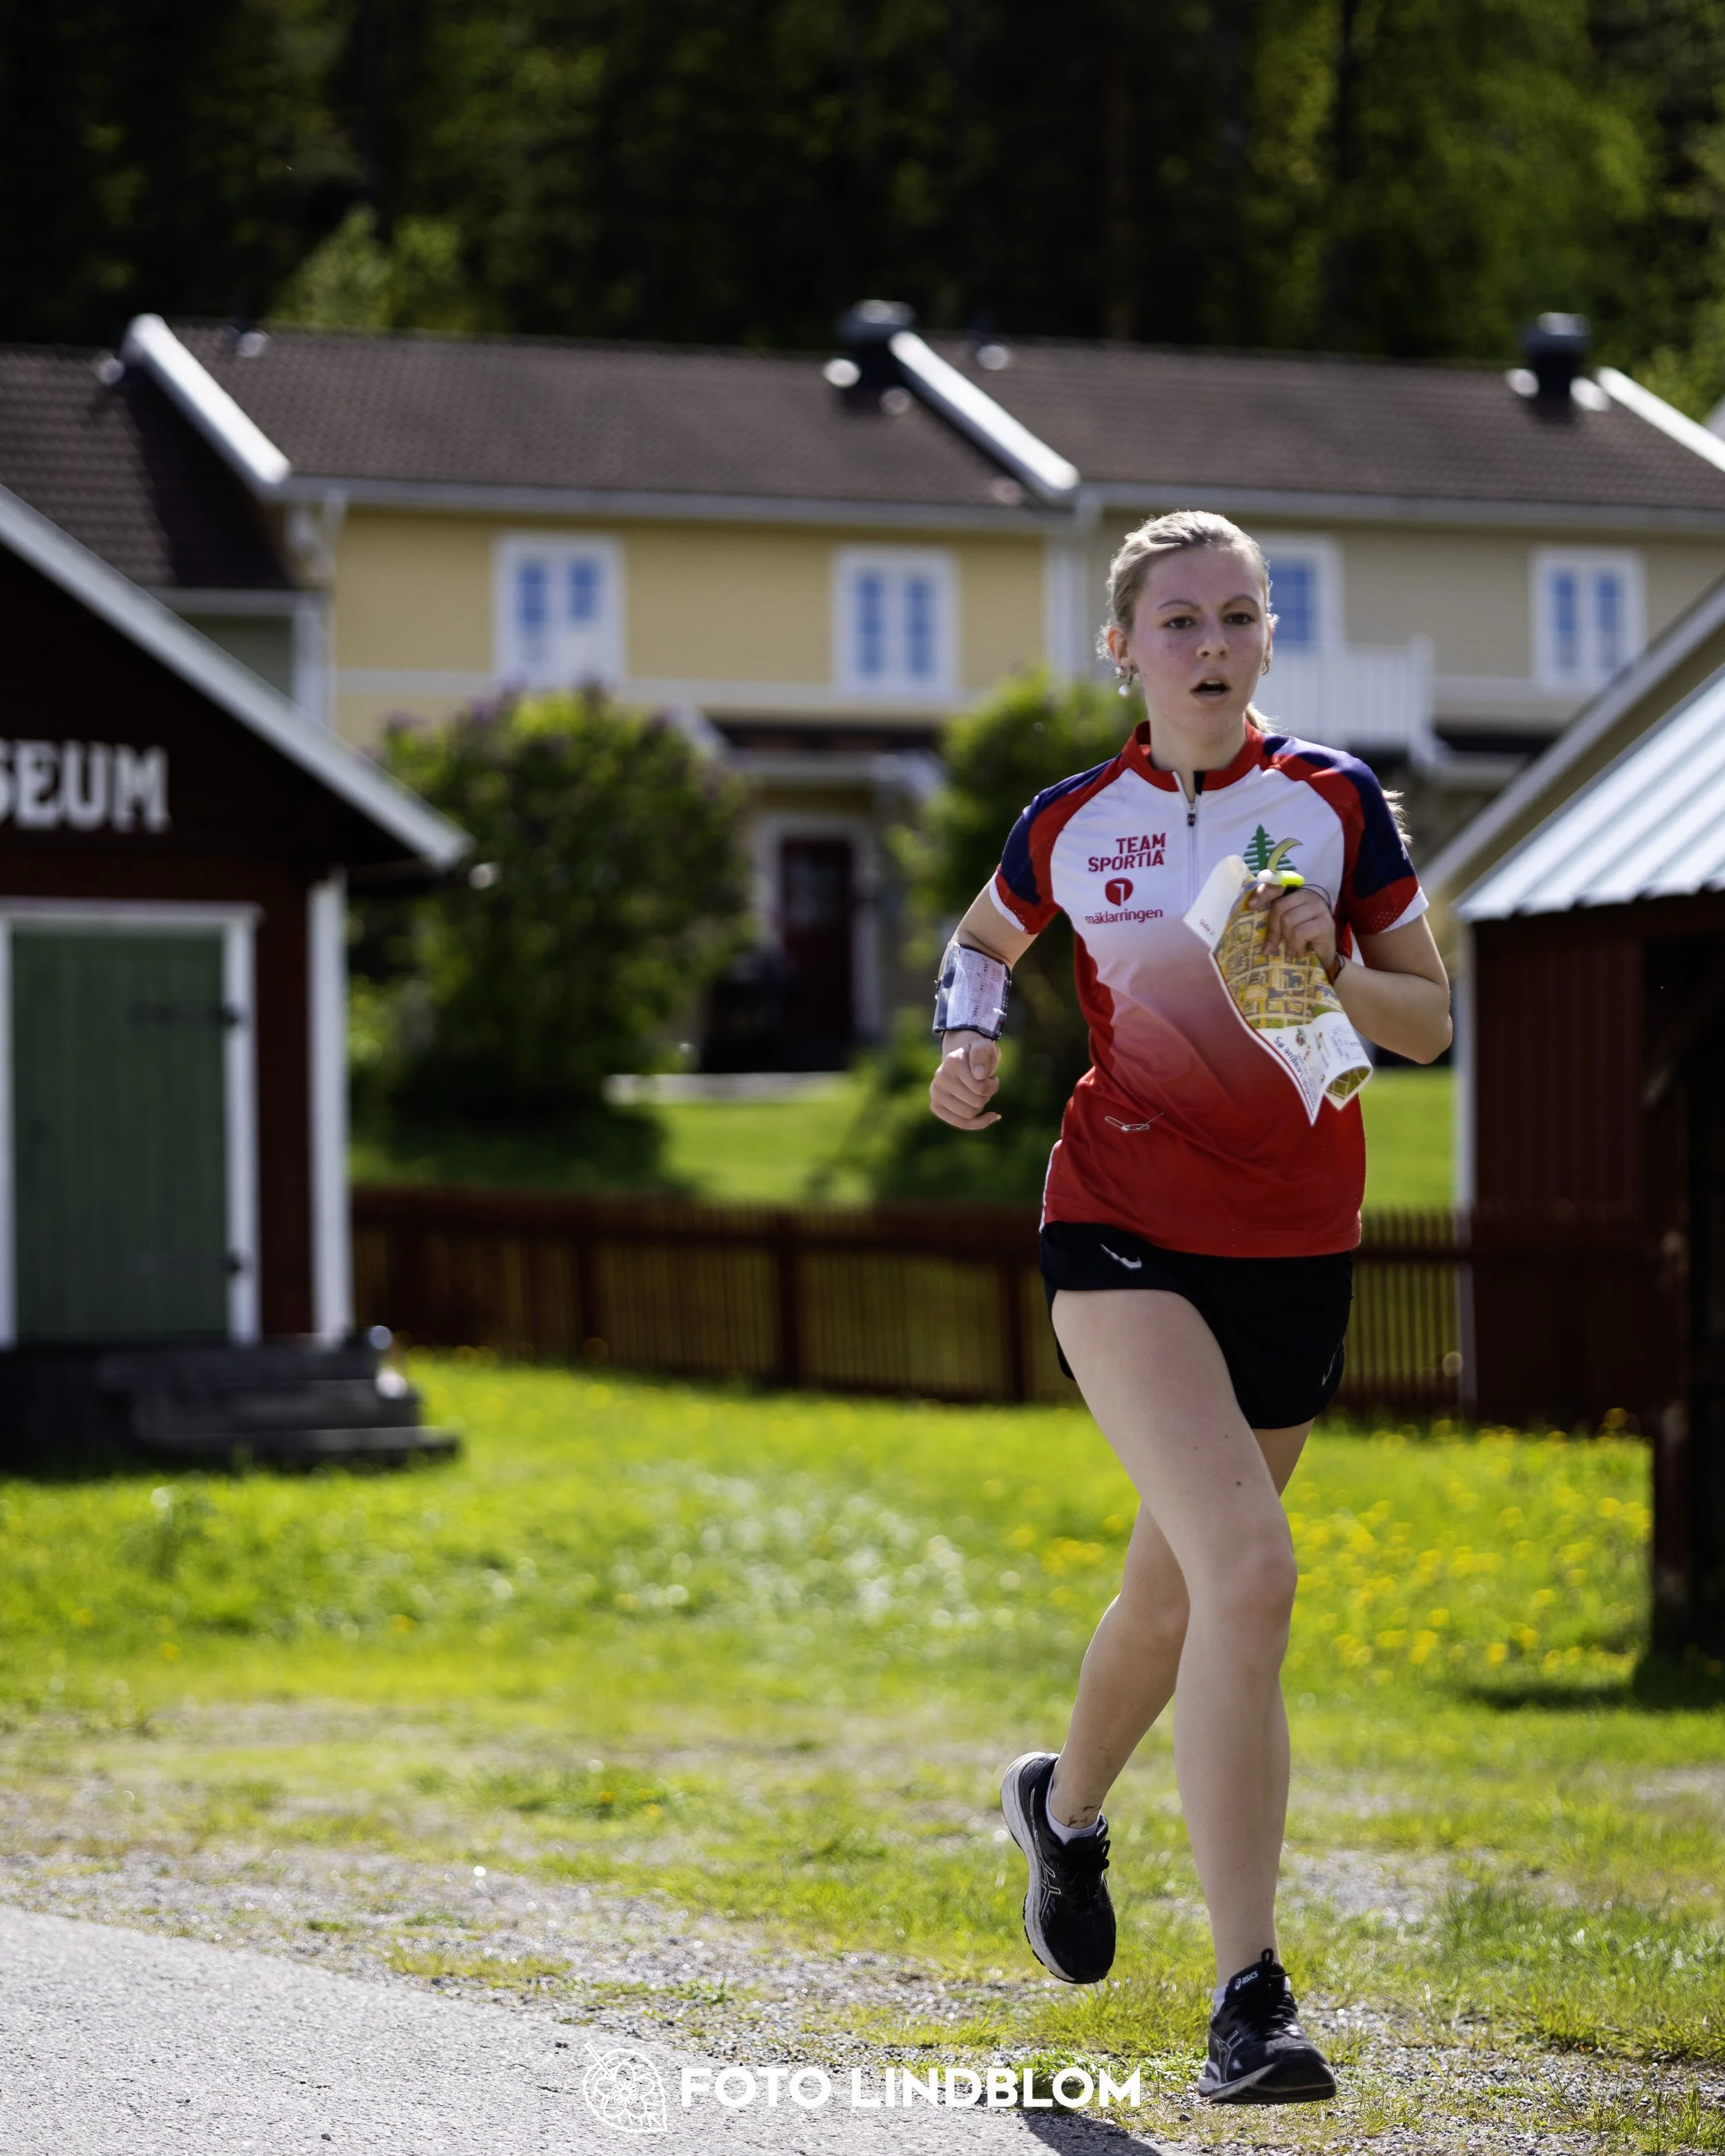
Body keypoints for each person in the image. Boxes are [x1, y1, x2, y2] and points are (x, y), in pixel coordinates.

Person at [928, 509, 1451, 2105]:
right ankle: (1248, 2001)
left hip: (1290, 1248)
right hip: (1120, 1230)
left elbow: (1423, 1024)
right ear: (1122, 649)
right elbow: (980, 941)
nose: (1209, 644)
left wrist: (1326, 966)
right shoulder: (1070, 819)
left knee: (1174, 1597)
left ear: (1267, 639)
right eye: (1176, 620)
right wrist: (966, 1038)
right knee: (1250, 1567)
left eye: (1236, 616)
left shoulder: (1332, 802)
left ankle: (1060, 1810)